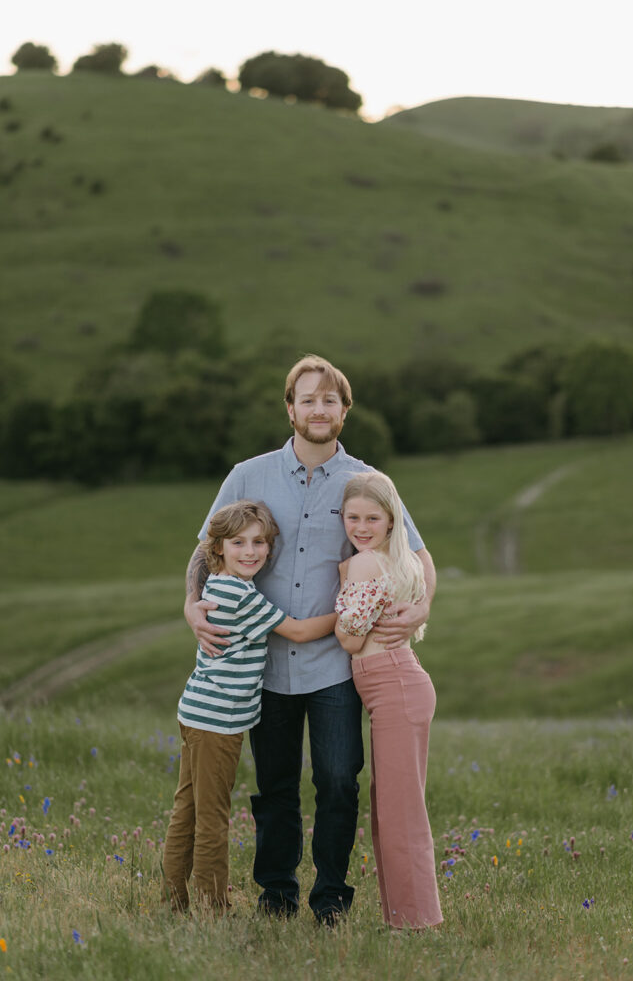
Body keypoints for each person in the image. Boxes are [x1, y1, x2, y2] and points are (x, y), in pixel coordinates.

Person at [184, 354, 436, 924]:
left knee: (339, 783)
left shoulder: (367, 482)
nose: (317, 409)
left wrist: (420, 603)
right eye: (307, 399)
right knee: (274, 787)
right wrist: (190, 607)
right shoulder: (247, 475)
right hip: (262, 666)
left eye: (329, 400)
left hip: (334, 669)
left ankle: (330, 900)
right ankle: (276, 894)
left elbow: (418, 554)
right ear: (290, 408)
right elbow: (206, 550)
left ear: (344, 410)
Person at [163, 499, 337, 912]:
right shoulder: (239, 593)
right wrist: (344, 613)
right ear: (218, 547)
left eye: (259, 542)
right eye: (238, 542)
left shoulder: (220, 586)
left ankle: (174, 901)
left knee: (186, 808)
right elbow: (294, 631)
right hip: (217, 725)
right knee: (210, 817)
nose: (251, 551)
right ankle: (212, 908)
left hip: (197, 713)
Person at [335, 471, 443, 930]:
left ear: (392, 520)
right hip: (404, 683)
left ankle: (416, 921)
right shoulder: (399, 562)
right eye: (352, 516)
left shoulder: (363, 565)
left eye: (372, 518)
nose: (360, 526)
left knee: (399, 812)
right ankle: (404, 916)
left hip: (394, 685)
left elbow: (349, 641)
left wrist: (341, 585)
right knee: (396, 806)